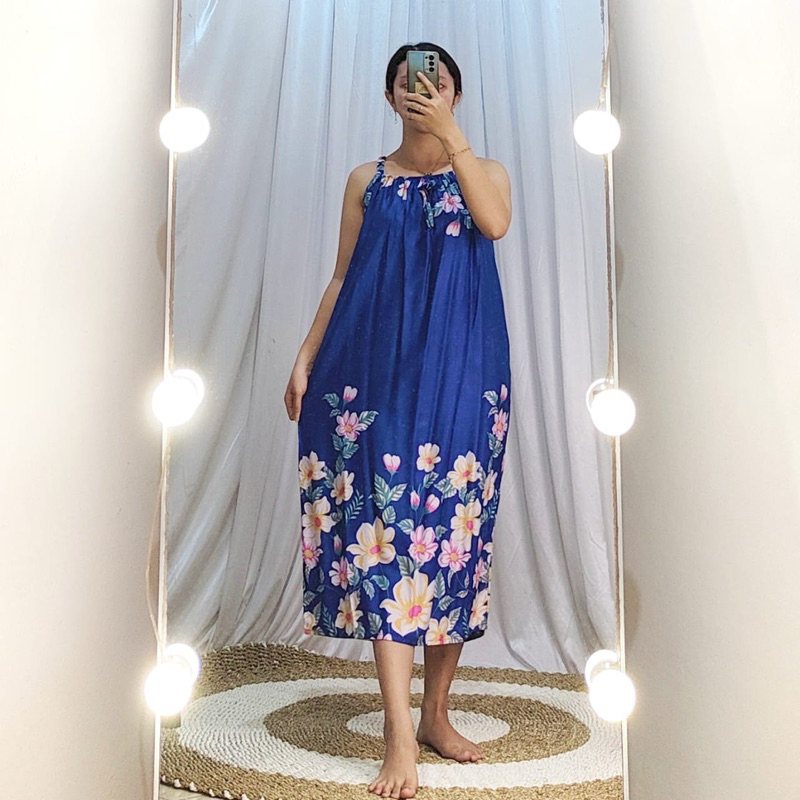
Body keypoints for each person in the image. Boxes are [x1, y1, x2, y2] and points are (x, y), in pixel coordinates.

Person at [284, 41, 512, 800]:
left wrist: (451, 138)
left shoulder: (485, 171)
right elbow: (341, 276)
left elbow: (495, 223)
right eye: (412, 82)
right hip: (374, 377)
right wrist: (306, 355)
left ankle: (435, 715)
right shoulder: (367, 180)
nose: (425, 89)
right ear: (391, 97)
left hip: (466, 376)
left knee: (453, 539)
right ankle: (397, 735)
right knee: (386, 540)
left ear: (455, 95)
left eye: (438, 82)